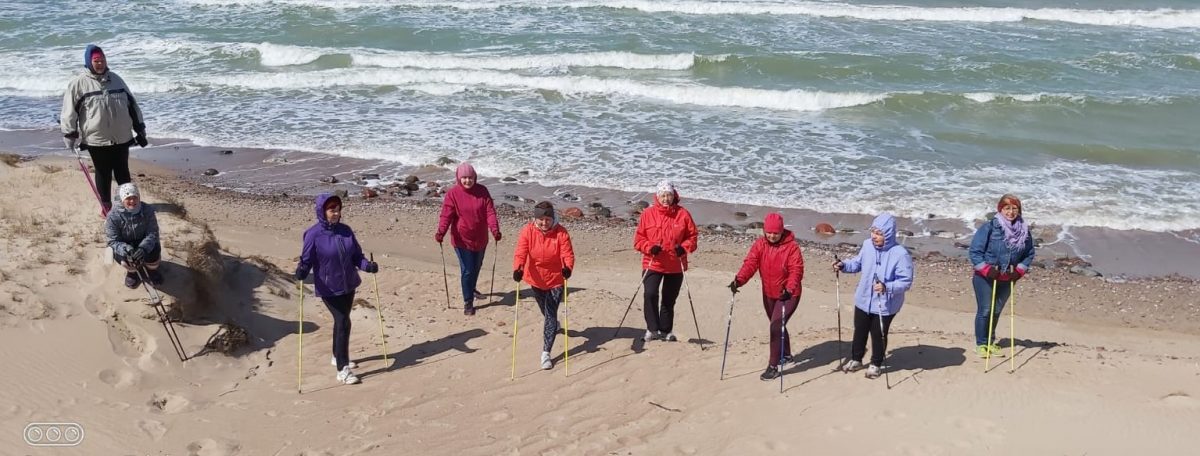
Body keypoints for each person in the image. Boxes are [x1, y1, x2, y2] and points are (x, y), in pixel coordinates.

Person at [295, 193, 379, 385]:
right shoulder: (313, 234)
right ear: (322, 211)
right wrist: (302, 271)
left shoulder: (346, 231)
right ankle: (343, 369)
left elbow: (357, 257)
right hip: (328, 288)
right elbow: (306, 260)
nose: (336, 213)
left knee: (342, 322)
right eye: (332, 210)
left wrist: (368, 266)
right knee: (343, 321)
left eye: (338, 209)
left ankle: (336, 356)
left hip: (349, 284)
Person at [61, 45, 148, 216]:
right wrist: (69, 134)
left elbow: (132, 105)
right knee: (103, 172)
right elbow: (69, 111)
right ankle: (106, 206)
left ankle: (127, 205)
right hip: (96, 138)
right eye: (96, 61)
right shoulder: (78, 83)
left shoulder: (116, 79)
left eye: (102, 60)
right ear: (89, 62)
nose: (100, 63)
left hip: (121, 136)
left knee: (123, 171)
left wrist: (140, 128)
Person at [832, 213, 914, 379]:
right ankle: (856, 359)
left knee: (878, 334)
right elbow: (857, 263)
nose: (874, 236)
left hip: (885, 304)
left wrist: (886, 287)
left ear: (888, 234)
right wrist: (843, 265)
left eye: (879, 233)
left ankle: (876, 364)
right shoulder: (867, 245)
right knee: (860, 330)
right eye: (873, 232)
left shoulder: (900, 254)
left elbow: (905, 281)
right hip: (863, 299)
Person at [729, 213, 804, 381]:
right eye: (768, 232)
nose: (772, 236)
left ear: (782, 231)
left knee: (776, 326)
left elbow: (796, 270)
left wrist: (789, 289)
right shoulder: (760, 244)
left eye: (775, 233)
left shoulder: (792, 247)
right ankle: (786, 355)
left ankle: (773, 367)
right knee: (777, 324)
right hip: (769, 293)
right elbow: (750, 264)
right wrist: (739, 280)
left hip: (788, 295)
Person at [969, 194, 1035, 358]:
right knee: (985, 310)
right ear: (1000, 209)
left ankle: (991, 342)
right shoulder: (990, 227)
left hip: (1008, 277)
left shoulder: (1024, 230)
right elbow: (975, 252)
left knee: (996, 311)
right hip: (986, 276)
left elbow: (1029, 254)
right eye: (1007, 208)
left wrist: (1019, 271)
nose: (1011, 212)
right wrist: (986, 269)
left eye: (1014, 208)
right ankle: (981, 344)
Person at [512, 201, 575, 371]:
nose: (544, 223)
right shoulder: (527, 231)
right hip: (535, 278)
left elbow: (567, 254)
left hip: (556, 279)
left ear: (553, 218)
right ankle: (554, 325)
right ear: (536, 218)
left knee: (550, 315)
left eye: (548, 219)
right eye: (541, 219)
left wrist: (568, 268)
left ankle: (546, 353)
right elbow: (521, 252)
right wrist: (518, 268)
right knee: (545, 311)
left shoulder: (561, 232)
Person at [633, 180, 697, 342]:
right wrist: (650, 247)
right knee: (650, 294)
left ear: (674, 196)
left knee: (669, 299)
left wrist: (684, 248)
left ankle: (666, 331)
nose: (666, 199)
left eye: (669, 195)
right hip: (653, 262)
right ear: (657, 196)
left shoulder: (683, 214)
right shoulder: (648, 214)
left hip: (675, 264)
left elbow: (692, 237)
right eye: (662, 195)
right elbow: (638, 240)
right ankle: (652, 329)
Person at [435, 162, 501, 316]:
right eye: (464, 177)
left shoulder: (482, 191)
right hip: (461, 240)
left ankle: (471, 288)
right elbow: (446, 216)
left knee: (476, 266)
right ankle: (468, 301)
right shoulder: (453, 194)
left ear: (475, 177)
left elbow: (490, 212)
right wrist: (441, 232)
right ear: (459, 178)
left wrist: (495, 229)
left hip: (480, 238)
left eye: (470, 177)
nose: (467, 180)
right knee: (468, 270)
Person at [106, 183, 162, 289]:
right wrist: (127, 250)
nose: (132, 201)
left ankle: (151, 270)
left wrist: (143, 248)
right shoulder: (112, 216)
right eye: (128, 198)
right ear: (122, 199)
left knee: (154, 252)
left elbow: (153, 232)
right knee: (126, 260)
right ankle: (132, 272)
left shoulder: (148, 210)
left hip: (144, 242)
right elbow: (112, 241)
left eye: (135, 197)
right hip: (126, 244)